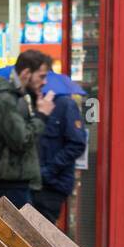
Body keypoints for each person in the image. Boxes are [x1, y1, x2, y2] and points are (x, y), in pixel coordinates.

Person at [0, 49, 55, 208]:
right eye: (41, 76)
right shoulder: (5, 99)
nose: (45, 81)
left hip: (17, 182)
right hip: (9, 185)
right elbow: (22, 139)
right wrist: (41, 116)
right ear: (26, 73)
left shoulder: (20, 97)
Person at [33, 83, 88, 223]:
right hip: (29, 183)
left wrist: (48, 171)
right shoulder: (28, 103)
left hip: (51, 185)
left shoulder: (65, 104)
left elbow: (77, 143)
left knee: (41, 234)